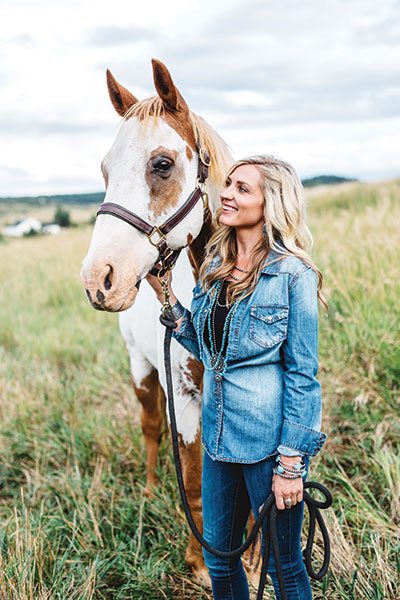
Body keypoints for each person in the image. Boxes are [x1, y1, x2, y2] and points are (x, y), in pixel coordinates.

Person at [146, 155, 327, 600]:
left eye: (242, 188)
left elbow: (303, 375)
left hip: (270, 449)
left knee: (285, 567)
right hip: (217, 442)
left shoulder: (293, 275)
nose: (226, 193)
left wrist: (291, 465)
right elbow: (207, 350)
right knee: (219, 559)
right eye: (228, 184)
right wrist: (167, 297)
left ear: (272, 203)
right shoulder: (213, 265)